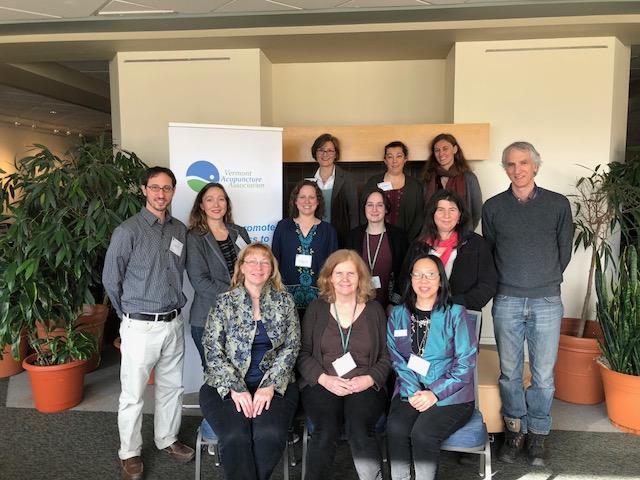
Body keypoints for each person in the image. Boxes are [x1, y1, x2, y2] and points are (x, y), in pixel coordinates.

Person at [482, 141, 573, 466]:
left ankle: (537, 435)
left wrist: (543, 279)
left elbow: (564, 251)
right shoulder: (493, 207)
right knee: (509, 373)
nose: (517, 169)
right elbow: (491, 251)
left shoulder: (558, 204)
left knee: (543, 375)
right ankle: (514, 431)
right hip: (506, 299)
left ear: (535, 166)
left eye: (523, 163)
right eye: (510, 164)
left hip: (546, 300)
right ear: (504, 168)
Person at [102, 166, 194, 480]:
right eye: (154, 187)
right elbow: (111, 279)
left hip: (173, 322)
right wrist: (127, 317)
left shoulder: (179, 230)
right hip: (140, 326)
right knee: (133, 394)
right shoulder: (127, 231)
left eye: (167, 188)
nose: (160, 194)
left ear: (173, 191)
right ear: (144, 190)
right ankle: (129, 453)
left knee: (172, 387)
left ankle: (167, 438)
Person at [199, 242, 300, 480]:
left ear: (272, 269)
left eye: (264, 262)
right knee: (235, 435)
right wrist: (236, 387)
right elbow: (212, 349)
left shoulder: (284, 301)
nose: (258, 267)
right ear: (241, 267)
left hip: (275, 385)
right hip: (225, 385)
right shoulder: (224, 302)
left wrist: (269, 385)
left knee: (269, 434)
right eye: (252, 261)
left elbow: (292, 346)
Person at [297, 250, 391, 480]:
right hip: (323, 383)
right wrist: (325, 379)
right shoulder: (316, 309)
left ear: (361, 278)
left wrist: (369, 379)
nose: (345, 279)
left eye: (351, 273)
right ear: (329, 277)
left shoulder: (374, 310)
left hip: (365, 385)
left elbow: (387, 356)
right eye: (338, 273)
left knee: (359, 427)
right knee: (325, 428)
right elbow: (303, 354)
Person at [386, 254, 477, 480]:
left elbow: (465, 363)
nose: (423, 280)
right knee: (396, 429)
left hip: (451, 395)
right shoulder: (398, 314)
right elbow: (396, 358)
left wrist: (434, 393)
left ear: (440, 280)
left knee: (423, 434)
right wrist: (414, 392)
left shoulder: (456, 314)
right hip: (410, 390)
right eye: (418, 274)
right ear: (411, 279)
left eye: (430, 275)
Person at [185, 182, 251, 442]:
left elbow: (252, 268)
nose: (216, 204)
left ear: (227, 204)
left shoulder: (239, 232)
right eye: (210, 199)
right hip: (208, 319)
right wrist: (238, 296)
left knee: (241, 373)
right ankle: (213, 430)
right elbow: (200, 281)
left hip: (243, 319)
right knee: (216, 377)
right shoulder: (195, 237)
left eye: (221, 199)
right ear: (201, 205)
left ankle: (237, 425)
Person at [399, 189, 497, 313]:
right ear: (432, 214)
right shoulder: (419, 245)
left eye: (452, 210)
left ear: (459, 215)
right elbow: (405, 279)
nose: (446, 215)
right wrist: (420, 303)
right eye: (441, 210)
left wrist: (454, 303)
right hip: (421, 313)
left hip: (462, 313)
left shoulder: (476, 244)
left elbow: (488, 284)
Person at [272, 179, 339, 316]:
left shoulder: (328, 231)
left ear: (318, 201)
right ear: (295, 201)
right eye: (302, 197)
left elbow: (333, 267)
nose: (307, 201)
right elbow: (274, 261)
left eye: (311, 197)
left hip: (319, 301)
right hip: (286, 300)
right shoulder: (282, 227)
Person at [346, 188, 408, 309]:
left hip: (390, 305)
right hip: (358, 303)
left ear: (386, 209)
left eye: (379, 205)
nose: (374, 209)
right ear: (364, 208)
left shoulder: (398, 237)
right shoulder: (353, 236)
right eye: (370, 205)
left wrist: (394, 303)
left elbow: (404, 273)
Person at [361, 141, 425, 241]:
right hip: (376, 238)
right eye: (390, 157)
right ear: (385, 160)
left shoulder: (415, 186)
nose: (394, 161)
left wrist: (407, 240)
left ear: (405, 159)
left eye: (399, 156)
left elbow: (419, 217)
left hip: (407, 241)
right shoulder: (373, 182)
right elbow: (363, 211)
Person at [422, 133, 483, 230]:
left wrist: (467, 230)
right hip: (433, 233)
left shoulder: (469, 178)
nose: (441, 154)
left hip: (462, 233)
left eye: (445, 149)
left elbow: (477, 211)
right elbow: (424, 209)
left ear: (455, 149)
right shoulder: (428, 178)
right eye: (437, 150)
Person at [311, 133, 359, 247]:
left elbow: (354, 214)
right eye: (321, 150)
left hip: (340, 238)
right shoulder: (309, 180)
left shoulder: (347, 179)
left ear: (336, 154)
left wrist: (353, 241)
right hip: (314, 238)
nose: (325, 154)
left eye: (330, 151)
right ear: (315, 153)